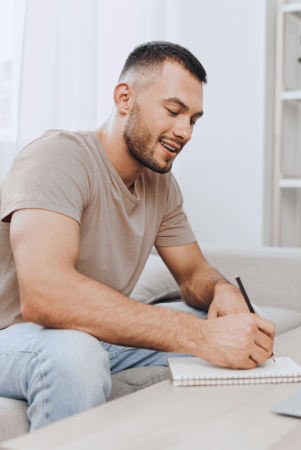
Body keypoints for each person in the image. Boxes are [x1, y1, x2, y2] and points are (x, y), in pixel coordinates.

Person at [0, 41, 275, 431]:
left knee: (223, 326)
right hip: (15, 335)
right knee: (75, 353)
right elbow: (45, 294)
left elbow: (193, 272)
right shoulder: (58, 157)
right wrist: (197, 336)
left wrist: (222, 291)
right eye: (173, 111)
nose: (185, 132)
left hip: (90, 334)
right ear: (124, 98)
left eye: (194, 119)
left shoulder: (161, 185)